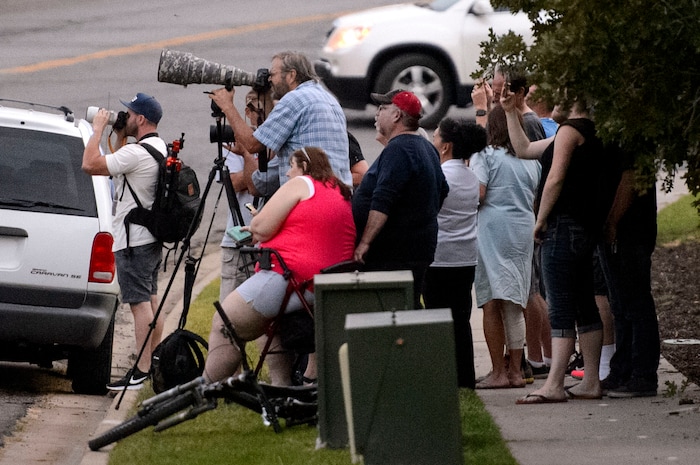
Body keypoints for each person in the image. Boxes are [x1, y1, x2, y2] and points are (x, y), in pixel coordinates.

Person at [501, 89, 621, 404]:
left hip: (563, 227)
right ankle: (591, 381)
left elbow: (554, 179)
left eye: (558, 98)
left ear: (572, 100)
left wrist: (540, 220)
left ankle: (554, 384)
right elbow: (524, 148)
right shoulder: (596, 134)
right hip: (586, 230)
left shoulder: (569, 132)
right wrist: (511, 112)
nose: (552, 103)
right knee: (584, 304)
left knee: (562, 305)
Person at [203, 147, 356, 384]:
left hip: (293, 278)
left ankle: (205, 388)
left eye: (291, 167)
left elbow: (262, 227)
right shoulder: (337, 189)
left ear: (304, 166)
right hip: (323, 284)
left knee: (225, 320)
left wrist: (255, 226)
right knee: (270, 325)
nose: (286, 174)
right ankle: (280, 388)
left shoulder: (303, 183)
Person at [82, 93, 165, 390]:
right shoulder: (155, 147)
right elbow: (123, 170)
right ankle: (153, 361)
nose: (125, 117)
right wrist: (118, 136)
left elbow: (90, 164)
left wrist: (97, 130)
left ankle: (141, 370)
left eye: (129, 114)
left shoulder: (137, 153)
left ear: (140, 119)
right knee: (151, 300)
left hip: (134, 241)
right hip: (150, 238)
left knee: (139, 304)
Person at [352, 89, 449, 309]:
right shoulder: (426, 147)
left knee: (392, 311)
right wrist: (421, 218)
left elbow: (383, 200)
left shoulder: (399, 149)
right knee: (409, 304)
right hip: (417, 248)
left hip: (392, 254)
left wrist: (365, 242)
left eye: (383, 108)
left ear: (397, 115)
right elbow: (442, 190)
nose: (377, 113)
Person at [470, 105, 541, 389]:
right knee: (514, 300)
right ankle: (516, 370)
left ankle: (498, 371)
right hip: (523, 226)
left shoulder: (485, 155)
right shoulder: (530, 158)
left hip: (493, 228)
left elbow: (479, 193)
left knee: (490, 301)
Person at [209, 51, 352, 188]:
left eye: (273, 74)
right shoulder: (329, 99)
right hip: (339, 194)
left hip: (311, 195)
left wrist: (227, 106)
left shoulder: (295, 99)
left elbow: (252, 145)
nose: (270, 80)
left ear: (291, 75)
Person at [422, 117, 486, 389]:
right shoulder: (471, 178)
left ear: (446, 146)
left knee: (437, 319)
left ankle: (440, 378)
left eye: (436, 137)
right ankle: (465, 379)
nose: (433, 142)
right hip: (465, 257)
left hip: (439, 258)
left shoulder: (440, 176)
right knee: (461, 320)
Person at [600, 156, 660, 398]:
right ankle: (622, 369)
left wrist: (612, 221)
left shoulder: (630, 142)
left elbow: (630, 178)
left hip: (630, 233)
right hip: (622, 234)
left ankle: (642, 373)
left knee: (635, 303)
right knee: (621, 305)